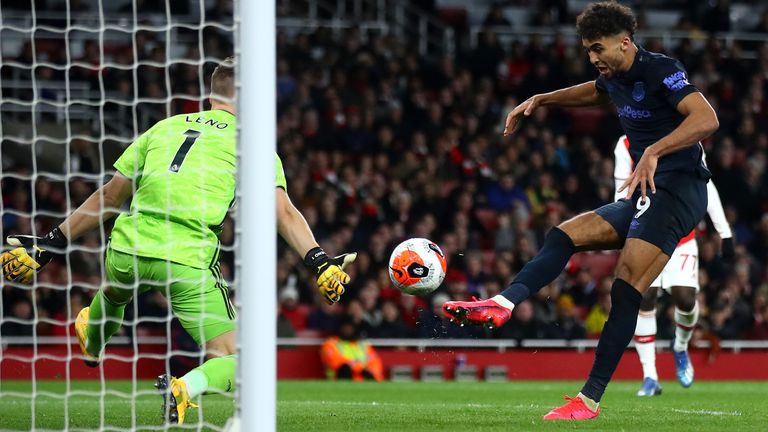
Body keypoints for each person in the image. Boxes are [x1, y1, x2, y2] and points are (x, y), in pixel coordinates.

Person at [0, 57, 356, 425]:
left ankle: (94, 335)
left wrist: (49, 243)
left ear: (210, 93)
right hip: (185, 260)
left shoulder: (163, 128)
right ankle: (186, 386)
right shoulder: (250, 144)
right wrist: (318, 260)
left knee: (115, 293)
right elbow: (281, 212)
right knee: (238, 359)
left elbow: (110, 197)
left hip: (126, 248)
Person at [443, 2, 719, 420]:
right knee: (565, 234)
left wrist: (655, 152)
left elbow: (707, 118)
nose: (592, 57)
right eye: (587, 50)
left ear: (624, 43)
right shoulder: (614, 76)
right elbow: (594, 90)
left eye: (597, 49)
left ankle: (588, 400)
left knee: (625, 286)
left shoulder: (661, 69)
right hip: (646, 192)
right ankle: (503, 302)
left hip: (680, 190)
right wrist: (542, 99)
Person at [613, 134, 733, 396]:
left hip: (682, 234)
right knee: (645, 297)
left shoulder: (687, 136)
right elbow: (622, 188)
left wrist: (724, 232)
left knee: (685, 297)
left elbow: (705, 185)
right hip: (646, 233)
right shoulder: (626, 143)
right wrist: (622, 229)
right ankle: (650, 376)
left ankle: (680, 346)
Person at [320, 315, 384, 381]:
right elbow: (337, 363)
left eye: (351, 327)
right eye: (345, 327)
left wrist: (371, 373)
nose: (348, 330)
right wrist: (361, 369)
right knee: (345, 370)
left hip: (363, 382)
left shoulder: (363, 344)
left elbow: (375, 363)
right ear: (340, 328)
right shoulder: (331, 344)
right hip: (340, 382)